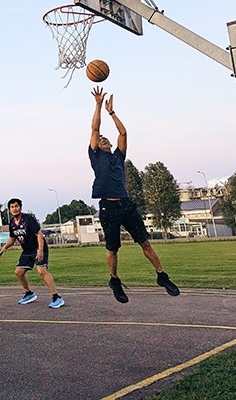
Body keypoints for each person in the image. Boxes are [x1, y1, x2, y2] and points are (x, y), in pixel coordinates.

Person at [88, 86, 180, 303]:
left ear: (109, 144)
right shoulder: (95, 157)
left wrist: (112, 113)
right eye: (99, 139)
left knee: (145, 242)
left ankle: (162, 276)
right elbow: (94, 129)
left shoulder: (119, 156)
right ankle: (115, 280)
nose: (102, 139)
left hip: (126, 205)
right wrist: (99, 105)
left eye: (104, 139)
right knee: (113, 249)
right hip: (108, 208)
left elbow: (123, 133)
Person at [0, 198, 65, 308]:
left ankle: (57, 297)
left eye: (16, 206)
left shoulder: (28, 219)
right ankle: (29, 293)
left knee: (41, 271)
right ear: (9, 210)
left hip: (38, 247)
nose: (15, 209)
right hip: (27, 251)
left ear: (20, 207)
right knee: (19, 272)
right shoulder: (12, 223)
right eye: (12, 207)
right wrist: (4, 247)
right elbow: (12, 238)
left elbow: (39, 234)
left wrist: (41, 250)